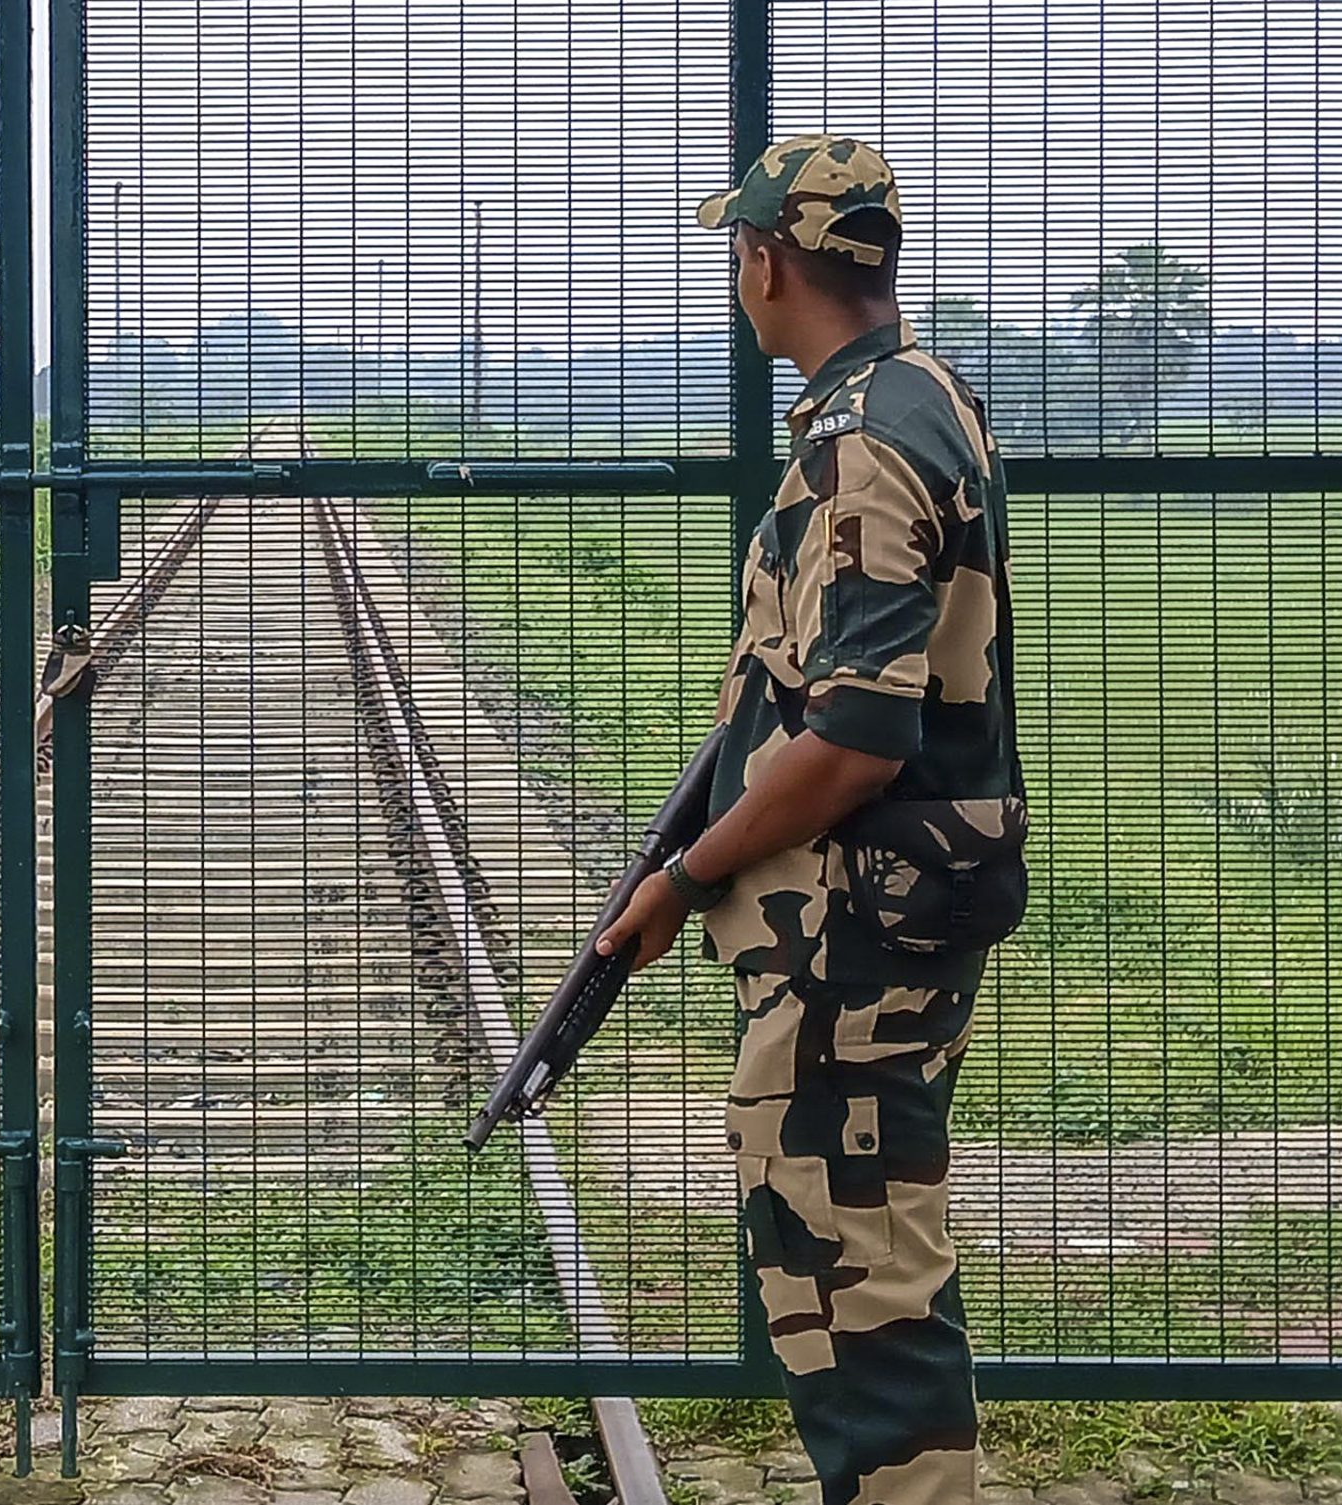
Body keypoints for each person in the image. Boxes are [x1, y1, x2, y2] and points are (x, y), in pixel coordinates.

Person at [595, 135, 1028, 1505]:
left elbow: (853, 736)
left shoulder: (863, 445)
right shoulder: (925, 395)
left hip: (854, 925)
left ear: (767, 264)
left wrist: (683, 876)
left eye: (739, 251)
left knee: (859, 1278)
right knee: (864, 1250)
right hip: (890, 904)